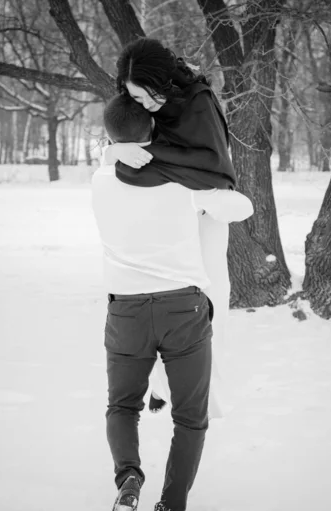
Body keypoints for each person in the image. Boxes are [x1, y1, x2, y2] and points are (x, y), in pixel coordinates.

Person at [92, 94, 253, 511]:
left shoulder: (100, 180)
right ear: (154, 134)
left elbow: (111, 155)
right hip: (181, 309)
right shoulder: (182, 184)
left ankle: (129, 477)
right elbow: (242, 209)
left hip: (125, 308)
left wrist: (115, 150)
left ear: (112, 138)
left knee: (122, 406)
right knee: (190, 418)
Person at [103, 37, 241, 418]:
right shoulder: (145, 104)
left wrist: (147, 159)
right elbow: (131, 138)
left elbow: (212, 164)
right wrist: (116, 150)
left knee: (213, 302)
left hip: (206, 214)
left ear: (162, 82)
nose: (143, 106)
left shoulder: (196, 101)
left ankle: (206, 400)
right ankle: (164, 387)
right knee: (172, 303)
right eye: (135, 99)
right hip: (169, 218)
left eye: (146, 97)